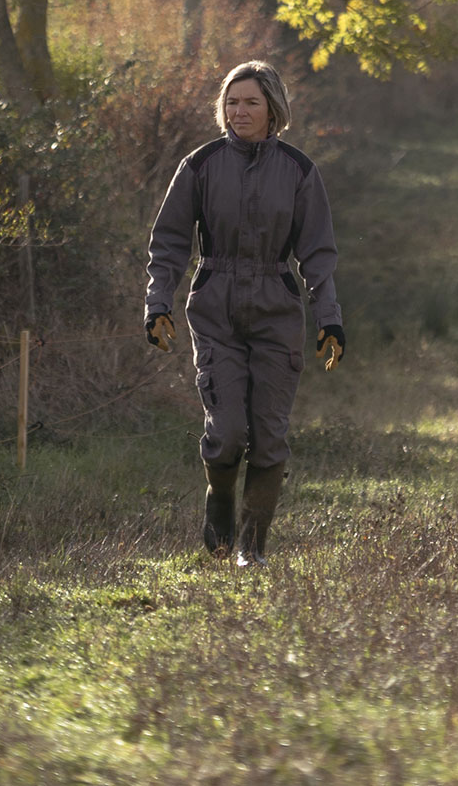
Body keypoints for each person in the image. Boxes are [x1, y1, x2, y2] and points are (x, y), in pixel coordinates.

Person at [145, 58, 344, 565]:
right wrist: (157, 302)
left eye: (251, 102)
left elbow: (317, 253)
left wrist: (329, 317)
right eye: (231, 102)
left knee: (270, 437)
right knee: (228, 429)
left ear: (273, 108)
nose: (239, 111)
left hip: (277, 309)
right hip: (215, 307)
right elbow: (168, 242)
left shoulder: (300, 172)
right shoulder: (200, 165)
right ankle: (220, 505)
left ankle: (251, 549)